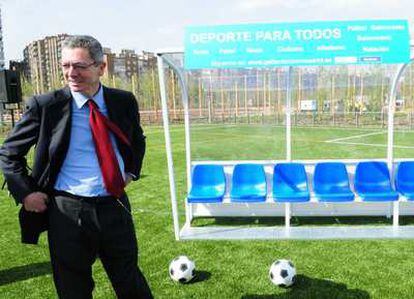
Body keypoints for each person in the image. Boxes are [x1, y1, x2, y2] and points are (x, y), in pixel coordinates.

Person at [0, 35, 153, 299]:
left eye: (80, 66)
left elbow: (137, 140)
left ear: (101, 68)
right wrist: (25, 193)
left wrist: (130, 172)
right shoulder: (46, 106)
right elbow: (9, 153)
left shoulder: (123, 101)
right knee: (73, 289)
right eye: (66, 66)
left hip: (114, 206)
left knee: (130, 282)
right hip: (67, 212)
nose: (72, 73)